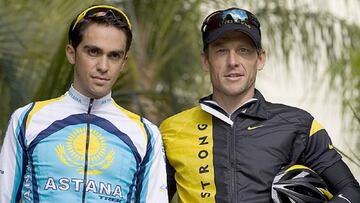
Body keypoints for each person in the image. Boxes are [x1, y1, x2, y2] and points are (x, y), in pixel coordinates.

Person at [160, 7, 360, 203]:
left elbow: (351, 191)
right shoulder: (171, 130)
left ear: (260, 59)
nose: (233, 61)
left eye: (243, 50)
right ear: (205, 61)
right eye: (221, 51)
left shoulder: (300, 125)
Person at [0, 4, 168, 203]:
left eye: (114, 56)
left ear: (123, 62)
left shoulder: (146, 134)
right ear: (71, 53)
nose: (103, 67)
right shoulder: (27, 119)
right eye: (93, 52)